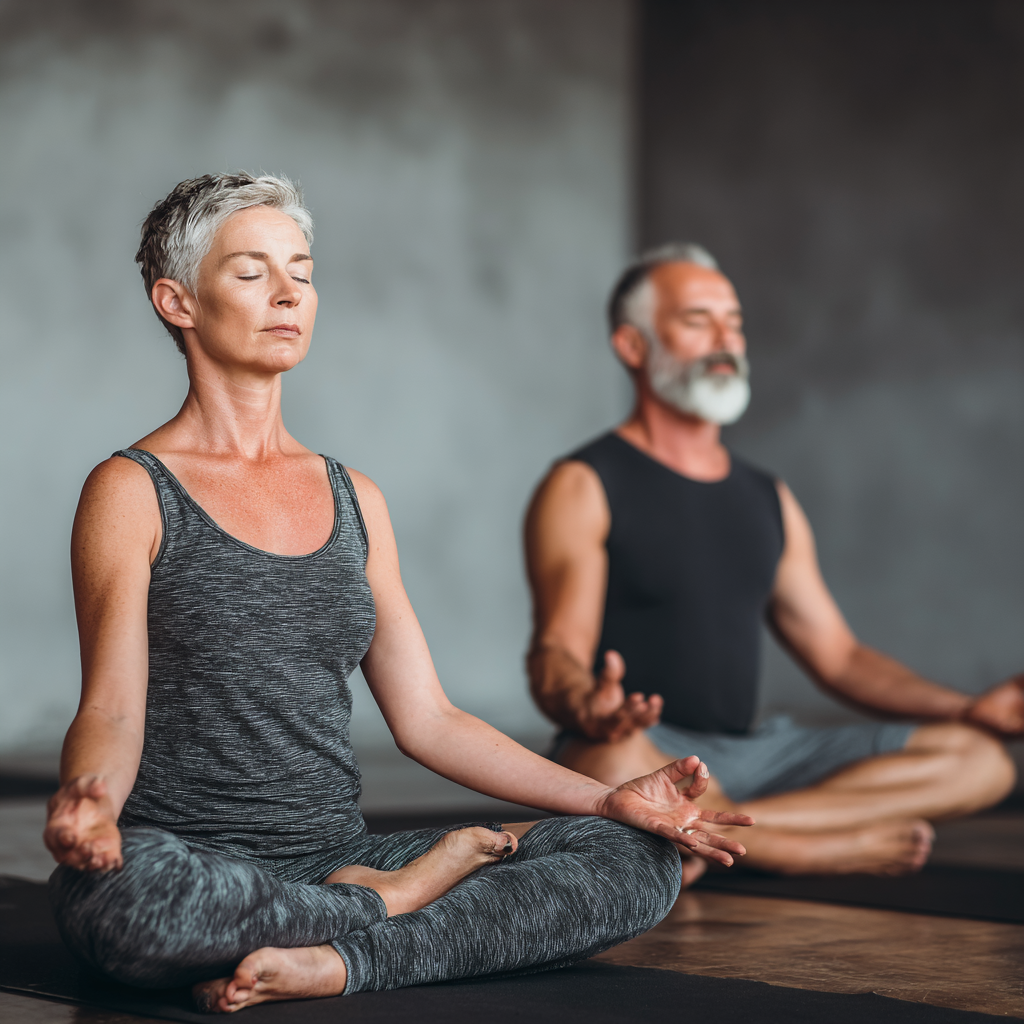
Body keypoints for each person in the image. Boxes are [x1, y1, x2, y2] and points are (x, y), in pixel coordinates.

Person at [42, 178, 753, 1014]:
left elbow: (429, 720)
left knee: (634, 859)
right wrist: (89, 800)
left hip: (334, 855)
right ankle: (384, 911)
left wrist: (607, 797)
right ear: (178, 301)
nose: (287, 294)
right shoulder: (132, 490)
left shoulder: (355, 498)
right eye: (251, 272)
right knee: (130, 904)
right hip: (194, 862)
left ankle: (336, 960)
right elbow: (114, 710)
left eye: (302, 272)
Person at [524, 243, 1022, 880]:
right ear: (633, 346)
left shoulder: (769, 497)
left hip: (755, 753)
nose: (725, 338)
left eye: (733, 321)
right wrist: (586, 705)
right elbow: (555, 652)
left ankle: (719, 834)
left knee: (981, 760)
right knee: (603, 758)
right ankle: (802, 847)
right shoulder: (583, 483)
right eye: (697, 320)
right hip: (646, 747)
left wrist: (964, 709)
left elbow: (839, 657)